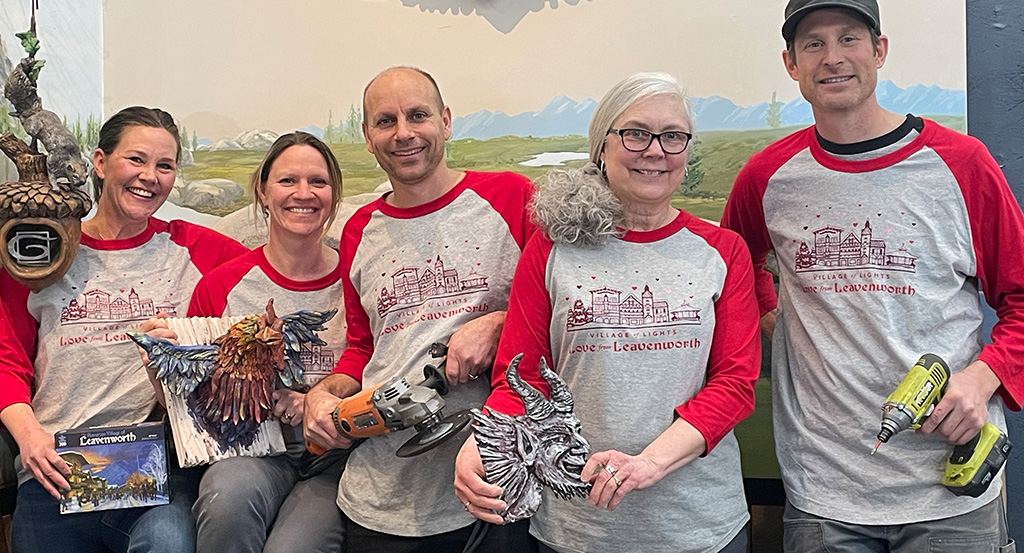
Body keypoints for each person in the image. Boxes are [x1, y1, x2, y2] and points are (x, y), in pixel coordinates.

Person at [720, 1, 1023, 550]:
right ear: (791, 63)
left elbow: (1022, 297)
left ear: (879, 50)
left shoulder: (962, 164)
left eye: (849, 39)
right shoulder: (768, 178)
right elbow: (735, 273)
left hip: (951, 494)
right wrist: (772, 319)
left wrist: (982, 379)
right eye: (813, 44)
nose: (833, 58)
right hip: (823, 496)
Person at [455, 72, 760, 553]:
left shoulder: (722, 251)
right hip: (577, 528)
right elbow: (522, 378)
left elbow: (735, 386)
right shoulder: (552, 249)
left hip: (699, 527)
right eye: (636, 133)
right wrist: (484, 444)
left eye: (673, 136)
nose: (656, 150)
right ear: (603, 146)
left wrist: (648, 464)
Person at [303, 66, 537, 553]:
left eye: (418, 115)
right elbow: (365, 348)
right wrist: (323, 396)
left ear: (446, 121)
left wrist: (499, 322)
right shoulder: (358, 230)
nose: (403, 133)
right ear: (367, 137)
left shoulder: (512, 199)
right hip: (382, 497)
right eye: (385, 121)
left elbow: (560, 311)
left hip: (493, 489)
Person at [0, 106, 247, 553]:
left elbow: (276, 272)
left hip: (155, 468)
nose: (150, 176)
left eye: (164, 165)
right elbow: (6, 360)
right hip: (55, 464)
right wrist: (29, 436)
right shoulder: (46, 250)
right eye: (136, 159)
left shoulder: (194, 248)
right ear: (100, 162)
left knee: (169, 544)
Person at [180, 132, 348, 553]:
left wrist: (312, 399)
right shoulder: (223, 286)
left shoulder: (359, 280)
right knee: (227, 500)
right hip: (253, 451)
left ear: (334, 193)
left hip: (336, 458)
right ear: (263, 190)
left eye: (319, 182)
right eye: (288, 181)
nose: (303, 194)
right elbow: (196, 390)